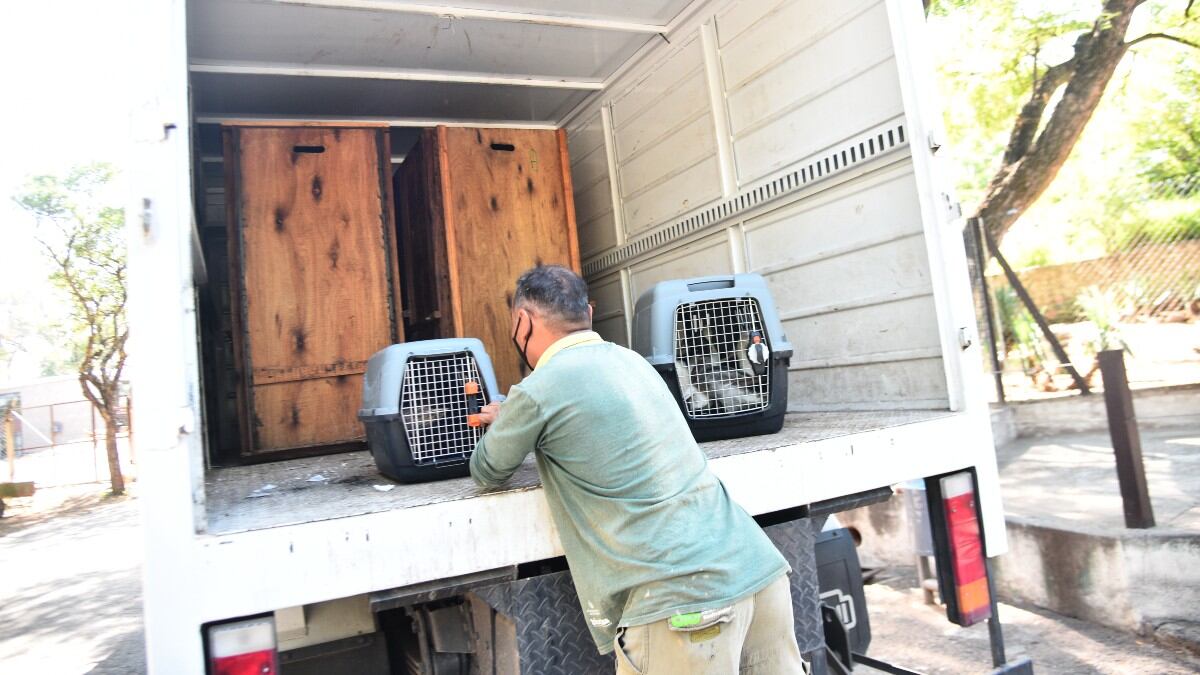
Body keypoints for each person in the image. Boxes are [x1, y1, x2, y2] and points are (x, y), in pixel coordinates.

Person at [470, 264, 804, 674]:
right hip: (759, 575)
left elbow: (488, 471)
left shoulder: (538, 390)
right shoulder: (634, 363)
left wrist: (507, 420)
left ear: (522, 321)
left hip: (684, 608)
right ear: (588, 313)